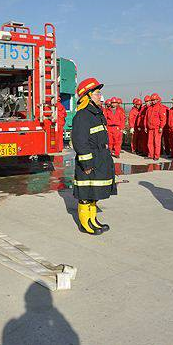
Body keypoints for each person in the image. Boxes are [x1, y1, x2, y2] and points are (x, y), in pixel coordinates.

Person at [71, 77, 116, 235]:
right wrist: (87, 164)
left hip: (100, 158)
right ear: (87, 96)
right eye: (97, 93)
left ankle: (93, 220)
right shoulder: (82, 116)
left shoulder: (96, 113)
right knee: (85, 194)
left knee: (93, 193)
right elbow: (80, 143)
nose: (100, 96)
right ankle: (85, 224)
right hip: (90, 160)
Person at [145, 93, 166, 160]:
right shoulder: (149, 108)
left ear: (157, 100)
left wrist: (161, 127)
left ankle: (156, 156)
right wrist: (145, 126)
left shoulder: (160, 107)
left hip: (157, 128)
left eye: (155, 100)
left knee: (157, 142)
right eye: (152, 100)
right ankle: (150, 155)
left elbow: (163, 118)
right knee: (150, 142)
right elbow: (146, 118)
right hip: (150, 128)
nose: (153, 101)